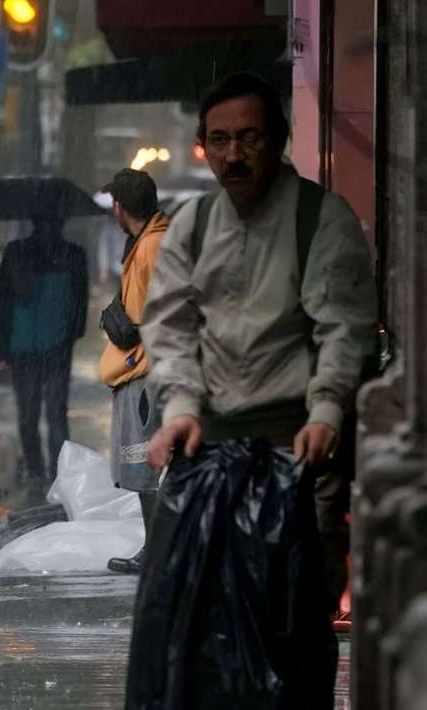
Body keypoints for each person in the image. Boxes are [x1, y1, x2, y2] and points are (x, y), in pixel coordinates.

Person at [141, 72, 377, 696]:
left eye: (248, 138)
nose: (233, 154)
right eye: (219, 140)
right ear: (203, 146)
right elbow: (169, 326)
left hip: (300, 451)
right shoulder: (191, 226)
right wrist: (181, 408)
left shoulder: (321, 219)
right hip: (211, 448)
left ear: (278, 141)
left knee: (294, 621)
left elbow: (344, 327)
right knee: (201, 623)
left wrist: (326, 411)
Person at [96, 169, 169, 575]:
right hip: (152, 370)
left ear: (121, 207)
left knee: (145, 465)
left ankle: (157, 555)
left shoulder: (149, 248)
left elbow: (143, 322)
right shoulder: (156, 239)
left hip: (144, 374)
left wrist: (120, 322)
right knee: (149, 465)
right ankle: (158, 550)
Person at [0, 210, 89, 483]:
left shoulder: (16, 252)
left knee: (28, 412)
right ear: (62, 222)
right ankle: (60, 473)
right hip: (57, 345)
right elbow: (81, 302)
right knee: (57, 413)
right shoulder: (73, 254)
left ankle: (35, 471)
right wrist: (71, 335)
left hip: (23, 345)